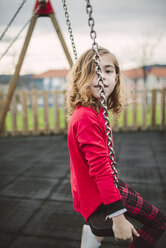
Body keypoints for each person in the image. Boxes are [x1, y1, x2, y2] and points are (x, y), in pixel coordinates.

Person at [66, 47, 166, 248]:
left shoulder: (90, 110)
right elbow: (101, 170)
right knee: (158, 222)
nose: (101, 76)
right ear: (81, 77)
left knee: (98, 230)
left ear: (117, 77)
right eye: (94, 70)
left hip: (95, 187)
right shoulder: (87, 117)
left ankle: (91, 238)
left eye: (108, 70)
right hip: (101, 189)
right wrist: (118, 218)